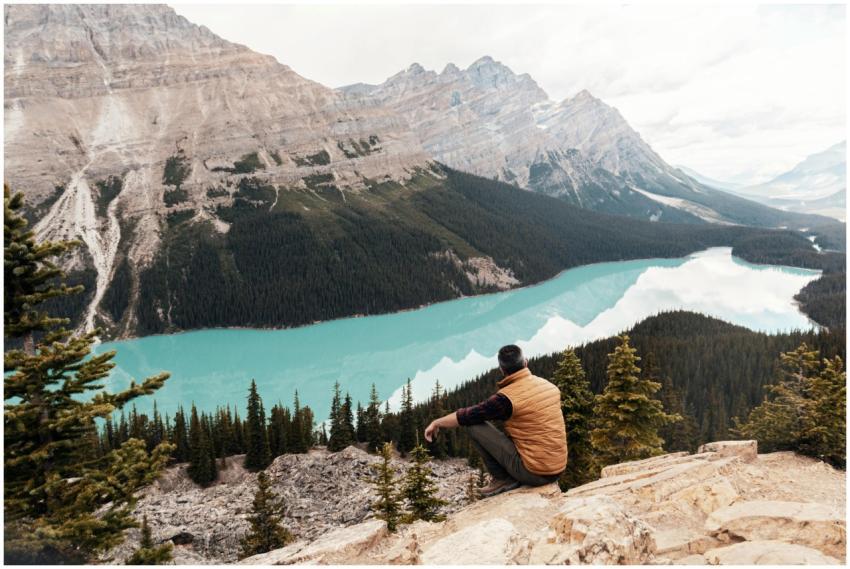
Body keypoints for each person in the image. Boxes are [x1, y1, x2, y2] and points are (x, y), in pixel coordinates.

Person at [424, 344, 567, 497]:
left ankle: (502, 479)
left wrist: (436, 422)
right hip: (557, 467)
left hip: (534, 473)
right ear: (525, 363)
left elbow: (466, 416)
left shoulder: (506, 399)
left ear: (502, 370)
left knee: (473, 425)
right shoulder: (549, 386)